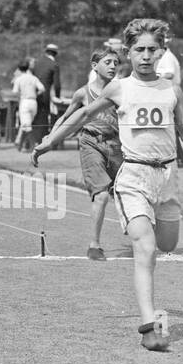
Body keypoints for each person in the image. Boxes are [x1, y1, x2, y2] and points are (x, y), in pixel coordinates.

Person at [33, 18, 183, 351]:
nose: (146, 56)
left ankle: (151, 316)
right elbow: (82, 116)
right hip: (133, 177)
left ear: (162, 51)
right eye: (139, 50)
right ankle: (149, 328)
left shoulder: (171, 90)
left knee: (168, 244)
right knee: (144, 248)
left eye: (152, 49)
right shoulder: (118, 88)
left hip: (167, 178)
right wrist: (49, 141)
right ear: (128, 52)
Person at [51, 47, 123, 260]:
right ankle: (95, 245)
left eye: (115, 63)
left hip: (118, 147)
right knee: (101, 195)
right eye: (107, 62)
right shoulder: (83, 93)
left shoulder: (123, 90)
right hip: (91, 143)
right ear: (95, 66)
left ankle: (146, 238)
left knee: (129, 194)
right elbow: (65, 118)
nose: (112, 66)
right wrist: (48, 140)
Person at [9, 58, 44, 151]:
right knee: (26, 124)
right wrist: (36, 94)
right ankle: (19, 145)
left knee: (26, 125)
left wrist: (20, 95)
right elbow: (42, 88)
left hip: (24, 102)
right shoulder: (34, 78)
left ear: (20, 69)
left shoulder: (19, 79)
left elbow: (15, 91)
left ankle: (34, 145)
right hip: (33, 102)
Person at [31, 42, 61, 148]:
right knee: (43, 117)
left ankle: (34, 140)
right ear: (55, 54)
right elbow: (57, 84)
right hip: (45, 95)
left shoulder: (37, 62)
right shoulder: (54, 65)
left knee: (35, 116)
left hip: (33, 94)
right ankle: (41, 141)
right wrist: (57, 97)